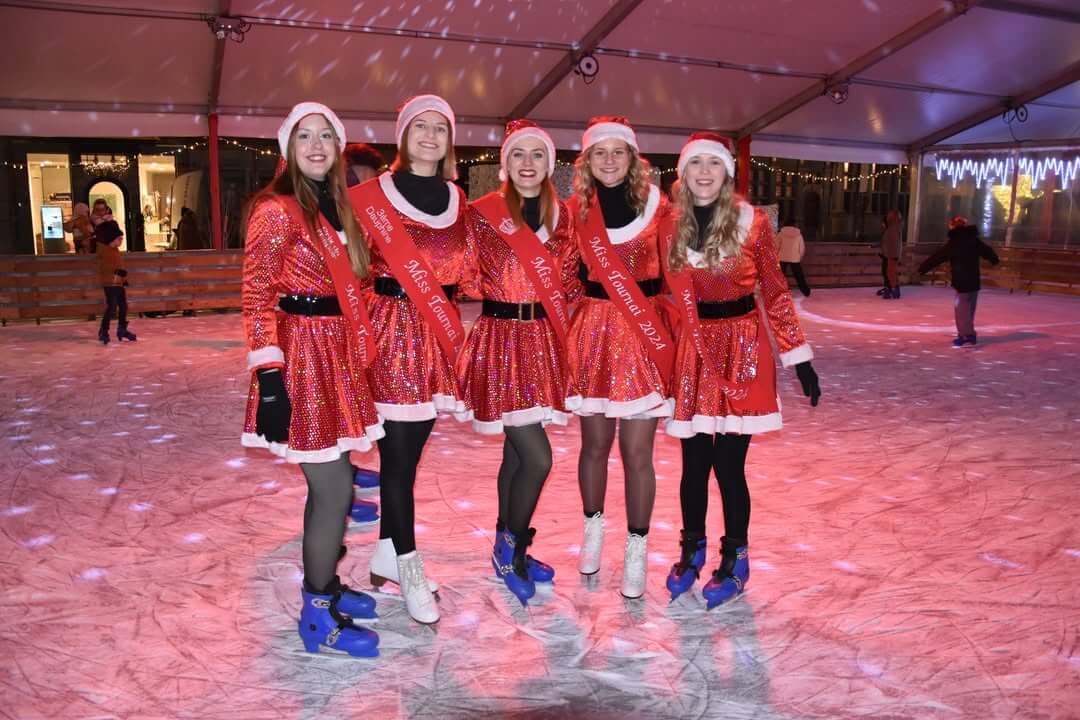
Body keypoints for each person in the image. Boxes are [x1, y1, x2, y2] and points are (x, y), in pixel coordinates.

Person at [241, 101, 383, 657]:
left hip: (336, 357)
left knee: (335, 485)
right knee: (332, 492)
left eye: (327, 136)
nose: (318, 146)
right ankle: (318, 612)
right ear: (288, 150)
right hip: (300, 358)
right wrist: (270, 379)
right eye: (306, 138)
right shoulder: (276, 211)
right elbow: (255, 299)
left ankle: (325, 586)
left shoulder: (339, 208)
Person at [662, 132, 820, 609]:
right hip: (693, 351)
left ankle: (736, 558)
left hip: (743, 349)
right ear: (684, 174)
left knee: (729, 467)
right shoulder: (669, 226)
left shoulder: (753, 225)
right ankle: (692, 551)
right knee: (693, 465)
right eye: (696, 165)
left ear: (727, 172)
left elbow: (773, 291)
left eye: (714, 164)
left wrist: (800, 355)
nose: (705, 173)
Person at [349, 94, 475, 624]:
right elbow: (348, 265)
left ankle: (384, 557)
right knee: (398, 464)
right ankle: (408, 564)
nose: (429, 135)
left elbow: (468, 268)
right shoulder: (368, 196)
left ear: (449, 141)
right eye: (419, 126)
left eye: (439, 128)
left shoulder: (457, 198)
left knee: (407, 459)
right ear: (402, 136)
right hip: (386, 333)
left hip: (436, 338)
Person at [457, 120, 580, 605]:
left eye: (537, 155)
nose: (528, 164)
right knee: (537, 457)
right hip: (500, 341)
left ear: (549, 164)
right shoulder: (481, 215)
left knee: (516, 455)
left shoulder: (563, 217)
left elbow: (569, 282)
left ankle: (509, 549)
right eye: (518, 155)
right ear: (504, 164)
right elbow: (463, 273)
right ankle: (510, 548)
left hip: (542, 343)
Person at [564, 116, 673, 599]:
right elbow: (564, 273)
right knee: (594, 446)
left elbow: (678, 270)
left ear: (633, 159)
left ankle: (636, 549)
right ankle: (593, 532)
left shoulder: (660, 208)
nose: (609, 160)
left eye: (619, 152)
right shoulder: (573, 211)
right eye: (599, 153)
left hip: (644, 333)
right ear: (587, 161)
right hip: (592, 331)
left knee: (637, 454)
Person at [917, 216, 1000, 348]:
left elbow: (938, 257)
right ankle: (968, 334)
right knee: (969, 310)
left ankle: (966, 335)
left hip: (962, 282)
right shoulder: (974, 240)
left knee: (961, 310)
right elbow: (987, 251)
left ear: (954, 227)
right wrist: (994, 259)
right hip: (974, 281)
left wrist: (922, 268)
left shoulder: (954, 242)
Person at [94, 220, 136, 344]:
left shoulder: (114, 250)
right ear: (110, 239)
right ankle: (104, 330)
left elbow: (119, 265)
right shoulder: (104, 251)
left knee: (123, 306)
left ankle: (122, 329)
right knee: (111, 307)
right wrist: (117, 272)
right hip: (109, 284)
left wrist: (123, 278)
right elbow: (105, 268)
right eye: (118, 238)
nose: (121, 240)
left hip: (118, 283)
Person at [775, 219, 810, 297]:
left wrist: (776, 256)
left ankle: (778, 292)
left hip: (782, 257)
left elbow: (776, 246)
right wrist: (799, 257)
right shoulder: (799, 235)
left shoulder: (781, 234)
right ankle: (806, 292)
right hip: (795, 258)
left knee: (780, 277)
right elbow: (802, 248)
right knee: (799, 276)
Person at [880, 210, 903, 299]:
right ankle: (889, 289)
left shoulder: (894, 228)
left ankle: (894, 290)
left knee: (890, 272)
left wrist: (892, 254)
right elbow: (886, 242)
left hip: (891, 254)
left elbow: (893, 243)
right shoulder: (891, 228)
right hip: (888, 254)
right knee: (887, 271)